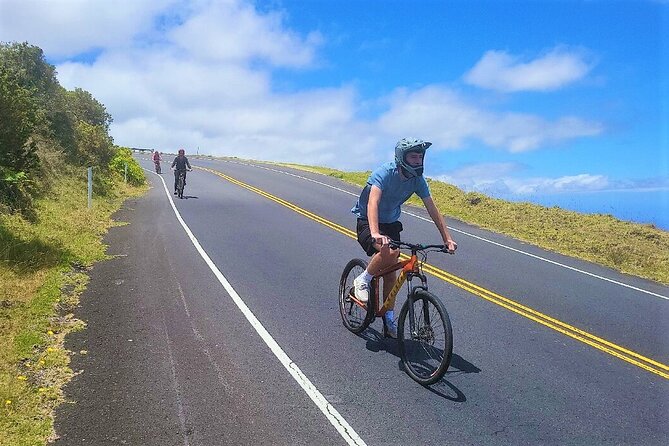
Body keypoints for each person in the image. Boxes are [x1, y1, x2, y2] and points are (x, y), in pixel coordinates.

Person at [351, 137, 457, 338]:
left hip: (390, 223)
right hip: (367, 219)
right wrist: (375, 232)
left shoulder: (418, 180)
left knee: (392, 271)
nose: (418, 161)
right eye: (413, 156)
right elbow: (373, 202)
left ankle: (388, 316)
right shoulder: (384, 173)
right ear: (402, 158)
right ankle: (363, 280)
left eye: (420, 157)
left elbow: (432, 209)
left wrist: (447, 238)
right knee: (391, 251)